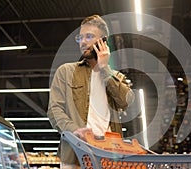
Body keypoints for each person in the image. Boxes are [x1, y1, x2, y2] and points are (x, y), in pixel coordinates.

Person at [47, 15, 134, 169]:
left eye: (89, 36)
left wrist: (105, 69)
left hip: (108, 156)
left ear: (103, 42)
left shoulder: (116, 77)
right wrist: (74, 131)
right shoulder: (66, 72)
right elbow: (54, 110)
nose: (83, 42)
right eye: (80, 37)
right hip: (74, 155)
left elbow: (126, 101)